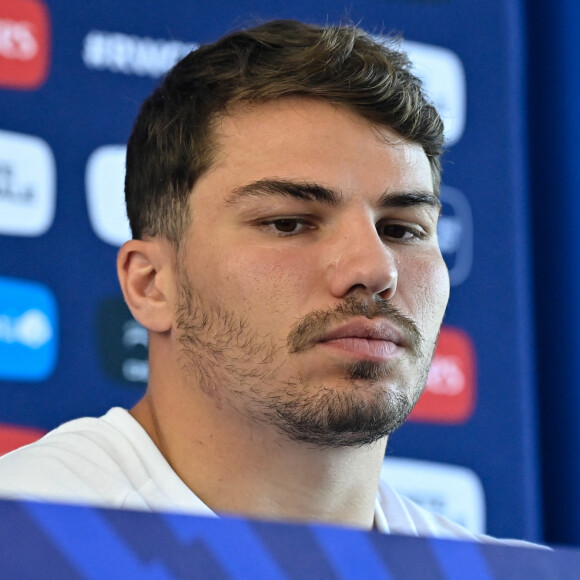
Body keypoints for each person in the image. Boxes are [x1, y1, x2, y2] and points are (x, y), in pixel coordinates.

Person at [0, 20, 532, 544]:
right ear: (152, 284)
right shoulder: (21, 538)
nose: (375, 269)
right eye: (289, 223)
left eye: (401, 229)